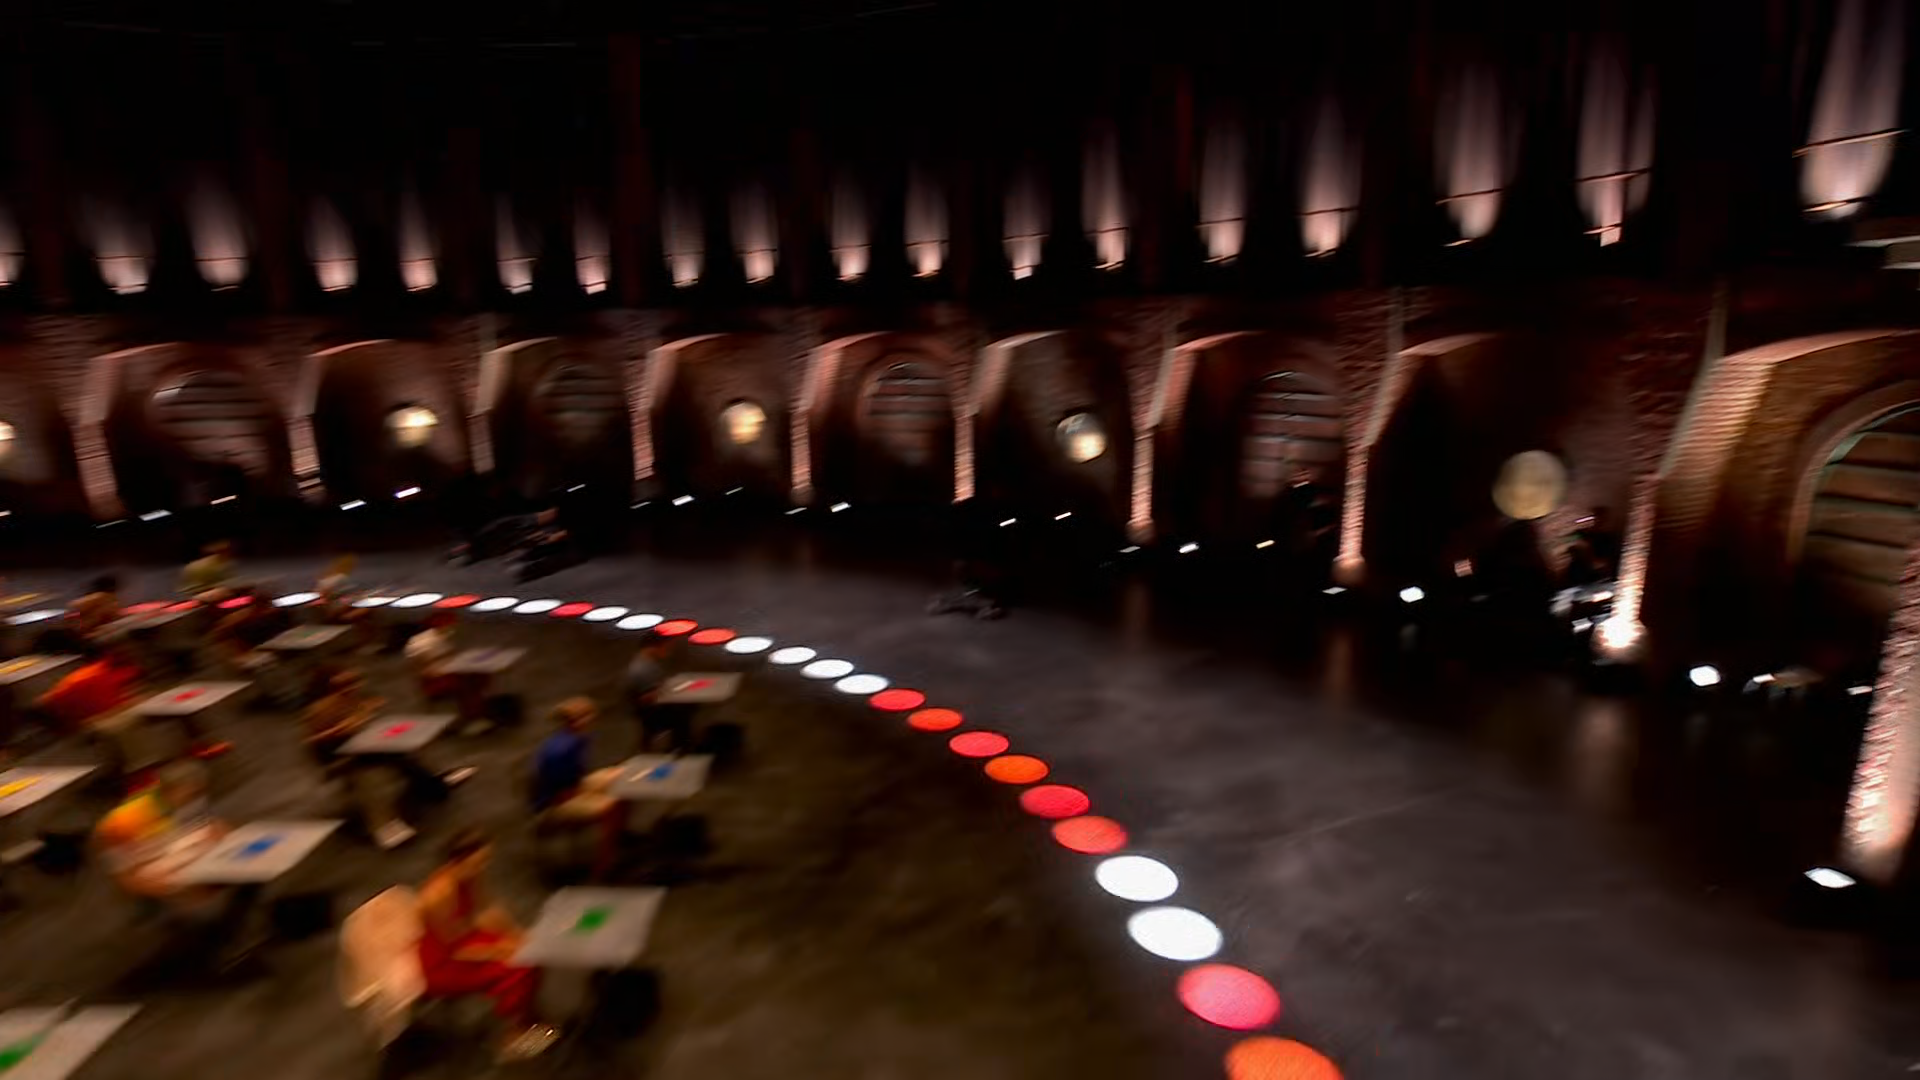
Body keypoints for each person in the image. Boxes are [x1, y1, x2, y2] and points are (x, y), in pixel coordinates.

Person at [93, 760, 262, 968]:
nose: (197, 799)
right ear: (171, 790)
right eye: (193, 794)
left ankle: (230, 936)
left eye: (199, 793)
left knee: (254, 873)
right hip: (158, 882)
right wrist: (176, 888)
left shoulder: (182, 800)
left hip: (189, 865)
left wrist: (229, 842)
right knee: (209, 905)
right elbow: (126, 879)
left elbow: (215, 826)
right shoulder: (121, 823)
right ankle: (219, 946)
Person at [417, 828, 557, 1062]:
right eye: (477, 863)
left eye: (484, 861)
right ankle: (513, 1036)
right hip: (444, 962)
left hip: (465, 939)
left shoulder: (467, 874)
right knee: (518, 968)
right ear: (456, 862)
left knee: (531, 952)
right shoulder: (437, 896)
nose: (481, 868)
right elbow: (455, 950)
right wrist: (500, 951)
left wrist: (516, 935)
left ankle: (527, 1017)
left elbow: (485, 909)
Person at [302, 670, 413, 850]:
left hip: (362, 749)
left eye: (354, 683)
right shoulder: (320, 710)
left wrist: (367, 713)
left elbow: (363, 721)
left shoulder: (354, 701)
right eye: (346, 685)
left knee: (404, 751)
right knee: (368, 780)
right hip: (338, 758)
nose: (353, 688)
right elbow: (313, 741)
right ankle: (382, 827)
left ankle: (426, 788)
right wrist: (338, 730)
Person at [529, 697, 623, 880]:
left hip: (573, 787)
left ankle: (618, 836)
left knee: (620, 775)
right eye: (589, 716)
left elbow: (576, 779)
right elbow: (561, 791)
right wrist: (592, 795)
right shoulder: (560, 750)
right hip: (555, 804)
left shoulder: (578, 739)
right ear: (578, 721)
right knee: (613, 806)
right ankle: (604, 864)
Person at [625, 637, 685, 751]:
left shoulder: (646, 662)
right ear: (653, 647)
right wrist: (669, 691)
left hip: (649, 709)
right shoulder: (642, 668)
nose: (668, 652)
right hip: (651, 713)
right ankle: (678, 747)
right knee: (684, 711)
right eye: (666, 648)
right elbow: (645, 698)